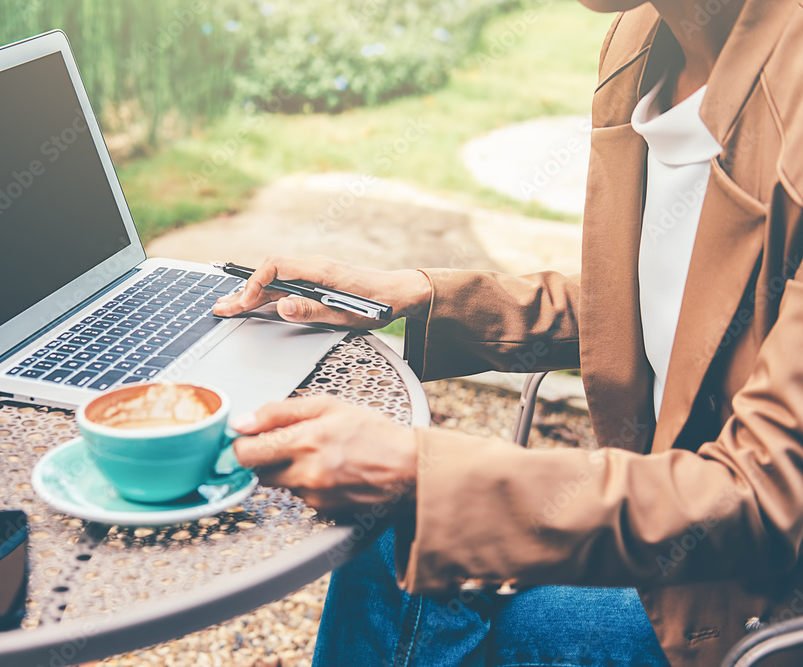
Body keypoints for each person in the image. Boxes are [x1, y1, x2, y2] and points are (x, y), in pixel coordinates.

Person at [213, 0, 803, 664]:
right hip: (669, 542)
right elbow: (668, 302)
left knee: (413, 527)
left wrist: (421, 470)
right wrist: (423, 296)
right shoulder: (643, 42)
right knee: (393, 530)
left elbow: (764, 493)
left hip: (753, 613)